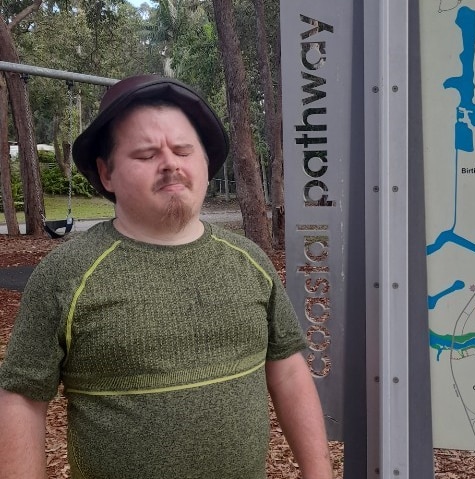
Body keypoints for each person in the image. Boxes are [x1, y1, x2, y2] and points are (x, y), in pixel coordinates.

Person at [0, 75, 333, 479]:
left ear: (205, 163)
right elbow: (21, 399)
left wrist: (319, 472)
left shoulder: (250, 261)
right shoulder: (67, 275)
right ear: (107, 174)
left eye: (183, 150)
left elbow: (289, 369)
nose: (171, 163)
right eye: (145, 154)